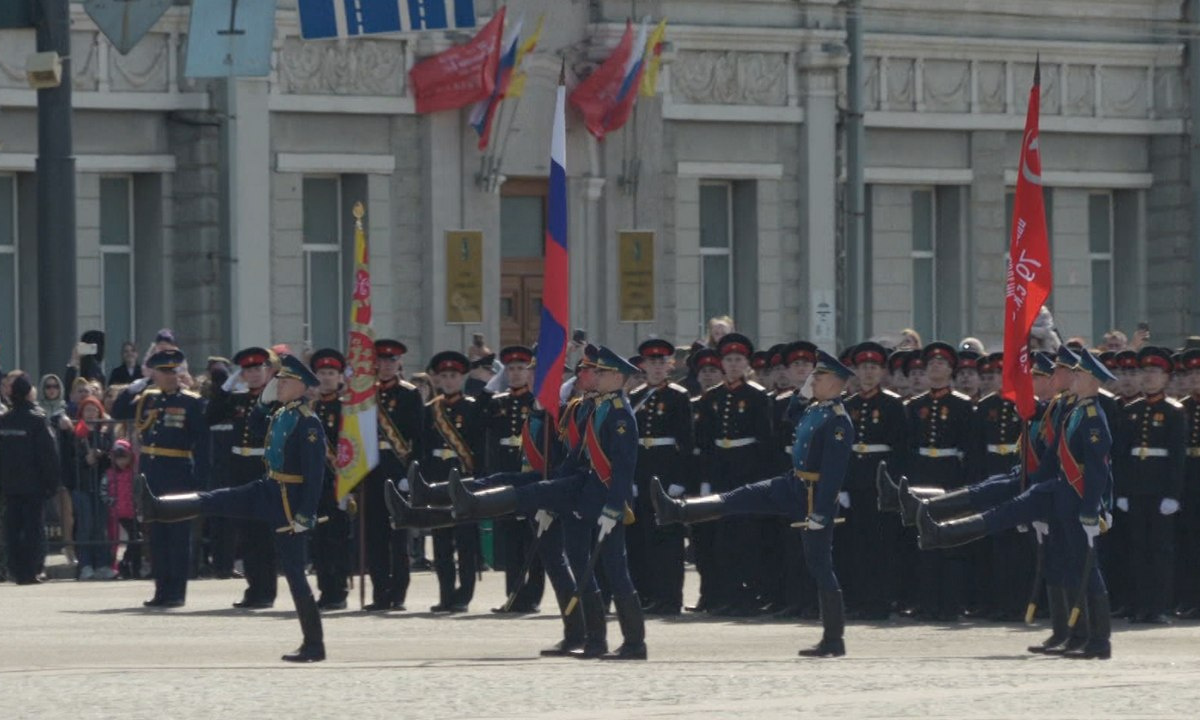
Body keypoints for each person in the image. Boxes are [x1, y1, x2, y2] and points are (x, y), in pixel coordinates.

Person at [449, 346, 648, 660]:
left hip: (605, 500)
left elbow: (623, 467)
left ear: (617, 377)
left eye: (601, 372)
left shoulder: (620, 413)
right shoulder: (597, 408)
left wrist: (614, 507)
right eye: (594, 371)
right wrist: (551, 491)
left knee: (615, 570)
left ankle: (635, 643)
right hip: (581, 496)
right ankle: (595, 640)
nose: (594, 375)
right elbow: (575, 458)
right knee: (581, 564)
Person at [653, 350, 856, 657]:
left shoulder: (839, 421)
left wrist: (822, 513)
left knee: (820, 566)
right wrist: (803, 393)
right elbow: (790, 416)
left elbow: (834, 474)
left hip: (812, 496)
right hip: (793, 482)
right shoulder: (818, 409)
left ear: (838, 383)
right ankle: (678, 510)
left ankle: (834, 638)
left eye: (820, 376)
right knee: (742, 496)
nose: (813, 380)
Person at [916, 348, 1116, 659]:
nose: (1071, 378)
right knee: (1045, 546)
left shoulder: (1092, 417)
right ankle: (1075, 636)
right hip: (1057, 493)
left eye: (1078, 374)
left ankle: (1099, 641)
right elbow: (1051, 460)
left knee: (1085, 569)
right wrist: (1030, 492)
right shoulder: (1074, 411)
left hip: (1076, 501)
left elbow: (1099, 470)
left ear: (1091, 381)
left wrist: (1092, 510)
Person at [138, 354, 327, 662]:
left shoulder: (309, 423)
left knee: (294, 572)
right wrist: (265, 401)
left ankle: (314, 644)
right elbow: (253, 426)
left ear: (300, 386)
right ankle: (158, 507)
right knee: (218, 499)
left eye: (284, 381)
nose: (277, 385)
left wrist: (306, 513)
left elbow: (315, 473)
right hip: (268, 487)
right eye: (277, 380)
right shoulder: (282, 415)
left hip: (289, 501)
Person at [112, 349, 207, 607]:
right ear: (154, 373)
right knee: (157, 537)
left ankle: (176, 592)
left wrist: (199, 479)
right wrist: (134, 388)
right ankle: (161, 590)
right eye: (164, 371)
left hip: (178, 473)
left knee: (177, 535)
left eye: (173, 371)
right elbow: (119, 411)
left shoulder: (191, 401)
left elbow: (201, 442)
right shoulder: (148, 398)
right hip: (152, 474)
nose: (170, 376)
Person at [698, 333, 772, 616]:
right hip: (720, 471)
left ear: (746, 363)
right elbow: (704, 441)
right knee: (723, 537)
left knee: (748, 536)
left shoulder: (756, 396)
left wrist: (760, 480)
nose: (732, 364)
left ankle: (749, 595)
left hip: (747, 470)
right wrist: (705, 478)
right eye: (728, 359)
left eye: (738, 359)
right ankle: (726, 594)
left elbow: (765, 441)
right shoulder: (712, 397)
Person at [1115, 346, 1185, 624]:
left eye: (1155, 372)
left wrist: (1172, 494)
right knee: (1137, 550)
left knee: (1160, 551)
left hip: (1160, 491)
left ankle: (1159, 606)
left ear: (1166, 378)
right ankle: (1140, 605)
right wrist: (1121, 492)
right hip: (1136, 490)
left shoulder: (1173, 412)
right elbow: (1122, 456)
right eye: (1146, 371)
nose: (1149, 377)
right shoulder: (1131, 410)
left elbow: (1177, 457)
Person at [206, 347, 281, 608]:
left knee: (263, 534)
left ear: (267, 371)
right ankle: (253, 589)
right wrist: (226, 387)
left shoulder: (276, 399)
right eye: (247, 370)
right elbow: (211, 416)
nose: (253, 374)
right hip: (240, 468)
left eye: (257, 369)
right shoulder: (237, 400)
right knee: (247, 532)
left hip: (264, 467)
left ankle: (266, 591)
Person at [904, 341, 973, 620]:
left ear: (950, 370)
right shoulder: (915, 405)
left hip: (950, 475)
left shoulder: (963, 406)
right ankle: (927, 603)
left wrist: (965, 485)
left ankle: (951, 604)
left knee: (951, 543)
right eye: (931, 363)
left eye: (941, 363)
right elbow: (908, 447)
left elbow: (969, 449)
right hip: (923, 474)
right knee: (924, 542)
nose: (935, 367)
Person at [626, 339, 693, 616]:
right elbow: (629, 442)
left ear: (670, 365)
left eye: (661, 362)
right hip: (641, 469)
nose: (655, 367)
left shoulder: (678, 396)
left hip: (666, 470)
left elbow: (686, 442)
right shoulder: (634, 396)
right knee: (640, 538)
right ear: (642, 365)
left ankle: (669, 597)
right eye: (650, 362)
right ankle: (645, 594)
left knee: (667, 538)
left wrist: (680, 479)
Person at [841, 342, 907, 620]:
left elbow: (901, 449)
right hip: (854, 483)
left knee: (881, 545)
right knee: (855, 545)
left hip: (880, 483)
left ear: (881, 372)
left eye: (873, 367)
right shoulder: (847, 405)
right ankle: (857, 599)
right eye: (863, 367)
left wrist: (892, 484)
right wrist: (841, 486)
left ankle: (880, 601)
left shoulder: (893, 405)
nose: (868, 373)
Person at [481, 345, 543, 614]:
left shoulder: (539, 402)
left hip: (532, 475)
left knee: (534, 539)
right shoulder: (498, 403)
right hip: (507, 474)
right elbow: (484, 432)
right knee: (511, 539)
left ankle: (532, 596)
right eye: (511, 369)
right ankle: (512, 595)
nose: (516, 374)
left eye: (521, 368)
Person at [363, 339, 423, 611]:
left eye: (391, 361)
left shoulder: (409, 394)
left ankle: (397, 593)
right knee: (374, 536)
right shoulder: (364, 395)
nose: (385, 366)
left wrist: (409, 473)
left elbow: (418, 438)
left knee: (399, 537)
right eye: (381, 361)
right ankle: (379, 593)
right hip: (371, 472)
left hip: (397, 471)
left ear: (399, 363)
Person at [423, 350, 485, 613]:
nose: (449, 381)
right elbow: (423, 448)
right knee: (441, 543)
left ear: (463, 378)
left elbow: (480, 448)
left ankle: (464, 596)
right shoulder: (430, 410)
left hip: (464, 480)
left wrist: (479, 480)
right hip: (438, 481)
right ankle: (446, 594)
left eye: (454, 376)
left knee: (466, 543)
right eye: (445, 376)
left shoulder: (472, 408)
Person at [0, 374, 61, 584]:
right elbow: (48, 454)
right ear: (28, 393)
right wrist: (52, 483)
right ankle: (30, 570)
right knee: (33, 529)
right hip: (33, 485)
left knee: (12, 528)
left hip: (9, 485)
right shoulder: (37, 419)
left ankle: (16, 569)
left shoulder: (4, 421)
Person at [309, 349, 353, 611]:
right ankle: (325, 588)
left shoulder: (347, 408)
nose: (326, 378)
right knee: (319, 540)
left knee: (337, 538)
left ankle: (338, 590)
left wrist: (351, 485)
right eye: (322, 373)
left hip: (339, 481)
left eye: (331, 373)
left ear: (339, 377)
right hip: (315, 482)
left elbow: (354, 447)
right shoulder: (309, 408)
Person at [72, 396, 116, 579]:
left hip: (100, 484)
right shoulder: (76, 433)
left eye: (94, 410)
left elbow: (111, 455)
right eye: (87, 410)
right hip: (83, 484)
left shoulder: (104, 432)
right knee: (85, 525)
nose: (91, 413)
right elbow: (71, 459)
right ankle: (85, 564)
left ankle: (102, 564)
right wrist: (85, 460)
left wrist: (101, 455)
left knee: (100, 526)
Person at [105, 439, 141, 579]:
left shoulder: (132, 473)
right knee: (117, 540)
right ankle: (118, 566)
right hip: (116, 512)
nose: (121, 461)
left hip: (131, 511)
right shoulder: (109, 474)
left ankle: (131, 566)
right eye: (118, 457)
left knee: (136, 539)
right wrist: (111, 503)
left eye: (124, 457)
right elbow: (104, 492)